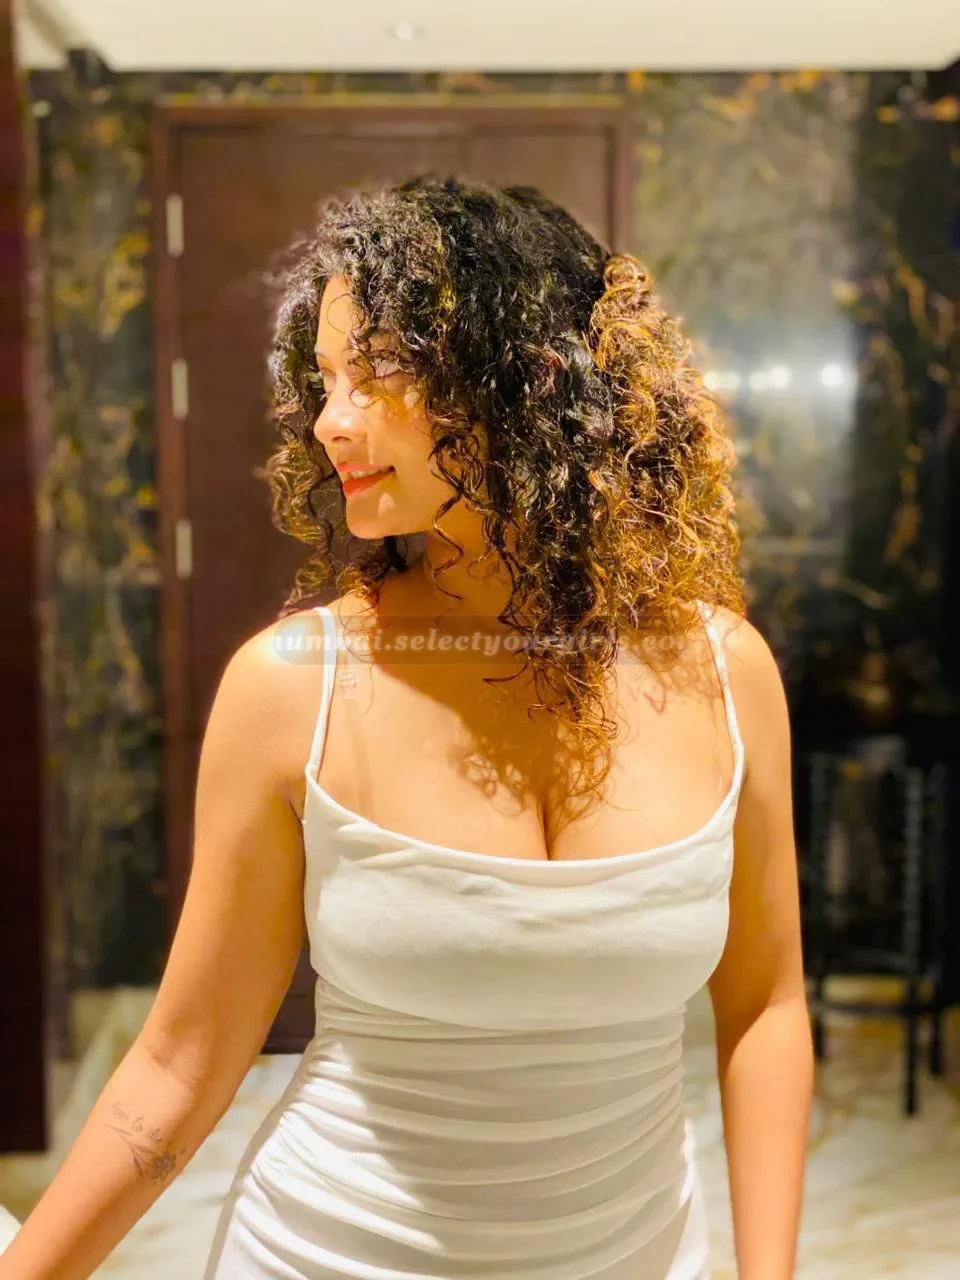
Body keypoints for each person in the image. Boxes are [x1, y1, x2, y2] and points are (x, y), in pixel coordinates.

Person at [1, 176, 812, 1280]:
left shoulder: (721, 669)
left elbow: (766, 1004)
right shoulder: (295, 687)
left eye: (379, 368)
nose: (331, 420)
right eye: (325, 378)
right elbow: (179, 1065)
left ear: (526, 374)